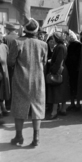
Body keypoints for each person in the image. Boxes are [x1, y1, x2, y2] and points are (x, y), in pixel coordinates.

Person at [8, 18, 48, 146]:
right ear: (37, 30)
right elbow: (45, 62)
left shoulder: (17, 42)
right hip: (38, 80)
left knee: (19, 107)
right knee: (37, 108)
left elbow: (11, 62)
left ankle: (19, 136)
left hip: (21, 79)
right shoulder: (43, 44)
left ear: (24, 29)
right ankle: (36, 138)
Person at [47, 31, 70, 119]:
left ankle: (54, 112)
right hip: (63, 70)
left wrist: (53, 70)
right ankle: (63, 109)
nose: (52, 40)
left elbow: (58, 61)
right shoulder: (62, 46)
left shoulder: (60, 47)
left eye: (53, 38)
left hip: (58, 71)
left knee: (56, 91)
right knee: (62, 90)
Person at [3, 22, 18, 110]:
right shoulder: (19, 38)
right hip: (17, 64)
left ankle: (8, 104)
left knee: (7, 84)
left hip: (7, 64)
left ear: (8, 29)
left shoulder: (6, 38)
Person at [65, 30, 81, 111]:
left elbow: (77, 57)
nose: (65, 37)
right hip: (70, 68)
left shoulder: (78, 44)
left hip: (75, 69)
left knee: (76, 86)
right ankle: (72, 103)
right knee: (71, 86)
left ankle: (78, 104)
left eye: (67, 36)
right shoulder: (69, 44)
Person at [0, 40, 10, 118]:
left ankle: (3, 108)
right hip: (3, 70)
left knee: (2, 90)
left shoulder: (4, 46)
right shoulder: (4, 46)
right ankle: (3, 108)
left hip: (3, 70)